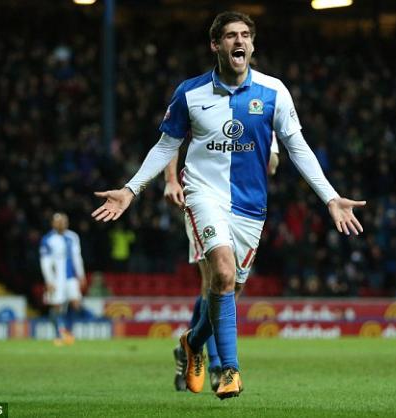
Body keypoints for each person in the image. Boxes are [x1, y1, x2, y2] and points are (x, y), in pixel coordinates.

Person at [92, 11, 365, 399]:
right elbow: (167, 145)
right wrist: (131, 189)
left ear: (252, 46)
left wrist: (331, 197)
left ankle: (191, 343)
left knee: (227, 292)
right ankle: (230, 370)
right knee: (219, 271)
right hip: (203, 194)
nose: (239, 41)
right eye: (230, 36)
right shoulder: (190, 92)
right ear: (216, 45)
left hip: (251, 208)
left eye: (245, 36)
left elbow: (297, 148)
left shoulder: (274, 92)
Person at [167, 133, 280, 393]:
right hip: (206, 201)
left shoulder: (265, 107)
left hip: (243, 206)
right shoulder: (200, 96)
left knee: (229, 289)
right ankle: (218, 365)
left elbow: (272, 164)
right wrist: (171, 179)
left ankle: (190, 345)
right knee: (214, 279)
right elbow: (170, 138)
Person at [39, 212, 86, 346]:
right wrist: (49, 280)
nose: (62, 224)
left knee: (76, 304)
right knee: (57, 306)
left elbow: (77, 257)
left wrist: (81, 275)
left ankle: (68, 332)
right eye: (59, 222)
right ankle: (57, 335)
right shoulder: (47, 239)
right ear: (53, 224)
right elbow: (45, 262)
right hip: (56, 278)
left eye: (64, 221)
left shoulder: (73, 237)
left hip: (71, 277)